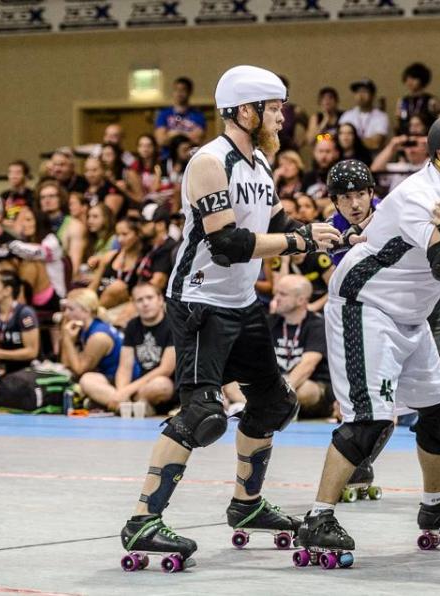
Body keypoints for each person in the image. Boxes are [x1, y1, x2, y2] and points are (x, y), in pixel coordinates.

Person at [119, 65, 341, 566]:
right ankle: (141, 522)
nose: (283, 117)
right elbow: (227, 244)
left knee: (274, 404)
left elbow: (274, 220)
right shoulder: (209, 162)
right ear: (246, 110)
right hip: (201, 300)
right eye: (275, 107)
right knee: (202, 416)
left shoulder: (260, 162)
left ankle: (246, 505)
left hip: (243, 303)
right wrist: (294, 241)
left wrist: (317, 231)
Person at [296, 115, 440, 562]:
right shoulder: (419, 196)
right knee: (370, 419)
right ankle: (318, 517)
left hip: (410, 313)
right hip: (367, 304)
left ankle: (434, 508)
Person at [80, 282, 176, 413]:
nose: (145, 303)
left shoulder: (172, 325)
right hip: (135, 383)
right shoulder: (132, 326)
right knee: (87, 379)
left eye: (149, 298)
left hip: (154, 386)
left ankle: (122, 404)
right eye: (140, 300)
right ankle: (128, 407)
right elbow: (125, 367)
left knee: (162, 385)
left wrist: (127, 390)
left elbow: (165, 369)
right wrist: (121, 392)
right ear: (134, 304)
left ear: (160, 300)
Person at [269, 275, 332, 418]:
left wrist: (279, 392)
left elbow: (307, 366)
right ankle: (272, 408)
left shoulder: (317, 324)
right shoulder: (270, 322)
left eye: (283, 294)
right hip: (276, 384)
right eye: (276, 293)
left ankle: (269, 408)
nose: (275, 299)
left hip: (308, 384)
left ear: (301, 300)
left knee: (305, 390)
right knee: (232, 385)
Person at [0, 271, 40, 376]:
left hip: (27, 371)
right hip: (3, 369)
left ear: (7, 290)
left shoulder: (24, 314)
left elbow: (32, 352)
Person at [59, 288, 122, 384]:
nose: (66, 313)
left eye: (71, 309)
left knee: (85, 382)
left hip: (121, 380)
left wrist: (67, 340)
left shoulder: (98, 336)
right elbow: (66, 365)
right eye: (65, 309)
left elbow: (79, 371)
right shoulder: (84, 328)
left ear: (86, 311)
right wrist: (66, 338)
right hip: (108, 376)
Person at [37, 179, 87, 274]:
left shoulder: (75, 226)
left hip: (64, 278)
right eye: (42, 197)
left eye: (51, 196)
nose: (46, 200)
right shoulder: (35, 224)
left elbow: (74, 266)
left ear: (61, 199)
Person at [154, 77, 206, 149]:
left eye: (183, 90)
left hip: (190, 156)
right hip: (168, 157)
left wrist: (174, 133)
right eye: (176, 90)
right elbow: (161, 140)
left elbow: (197, 140)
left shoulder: (198, 115)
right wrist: (188, 134)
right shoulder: (164, 114)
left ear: (189, 92)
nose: (179, 93)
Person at [338, 78, 389, 151]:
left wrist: (351, 141)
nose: (360, 95)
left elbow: (376, 143)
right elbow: (339, 142)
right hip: (351, 159)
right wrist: (366, 141)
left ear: (373, 95)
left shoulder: (381, 116)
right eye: (357, 92)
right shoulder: (346, 116)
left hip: (373, 159)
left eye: (364, 91)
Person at [137, 203, 176, 292]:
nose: (140, 227)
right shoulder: (148, 245)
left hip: (155, 299)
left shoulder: (168, 247)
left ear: (160, 225)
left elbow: (158, 282)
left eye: (145, 223)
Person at [396, 62, 439, 134]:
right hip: (406, 138)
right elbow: (399, 123)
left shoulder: (431, 101)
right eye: (407, 78)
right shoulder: (402, 101)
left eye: (413, 78)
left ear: (422, 79)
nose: (409, 81)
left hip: (426, 137)